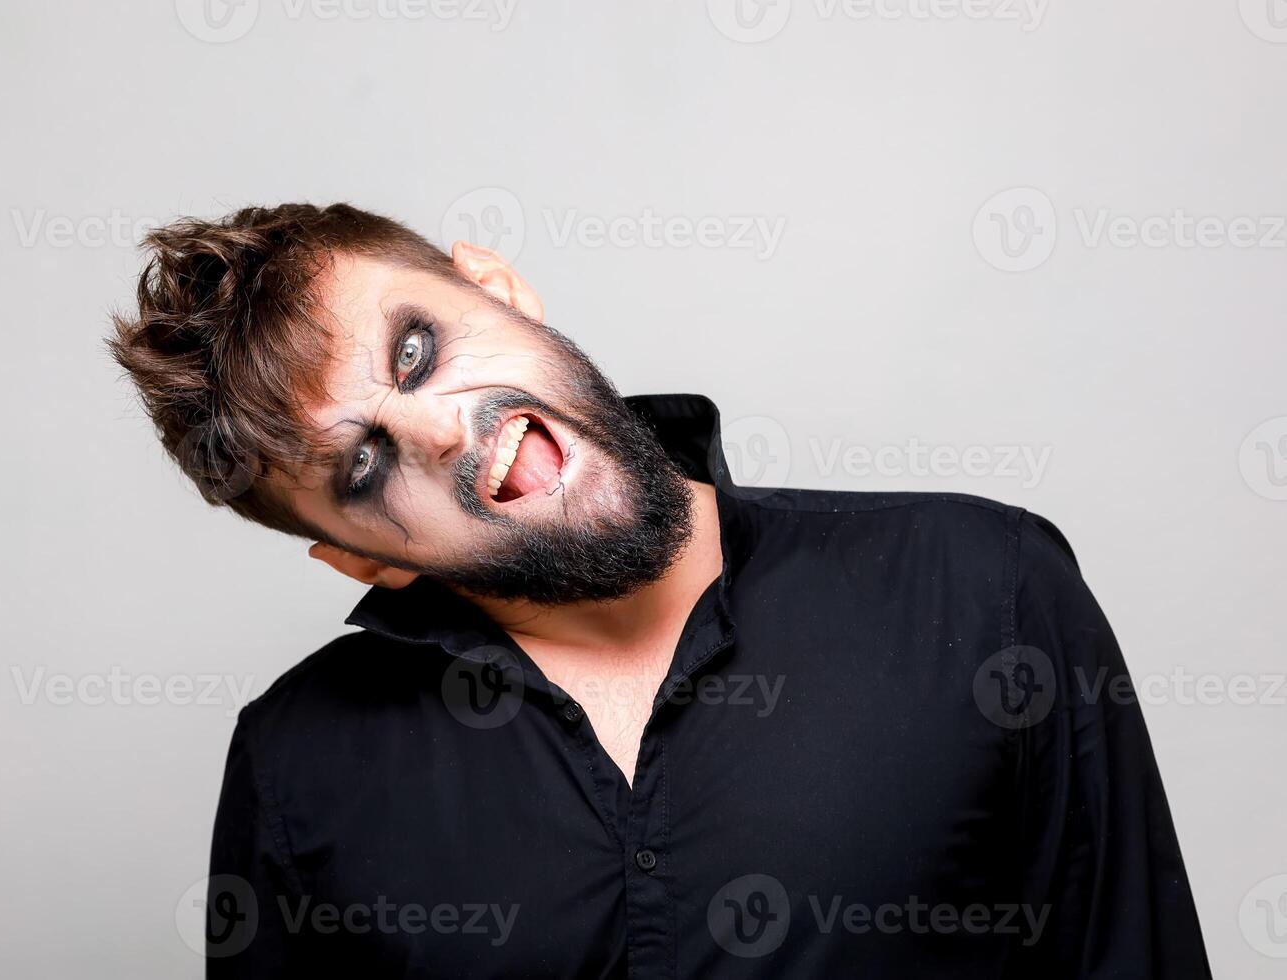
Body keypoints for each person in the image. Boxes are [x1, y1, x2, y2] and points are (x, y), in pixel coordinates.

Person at [110, 202, 1212, 978]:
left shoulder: (982, 587)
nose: (446, 429)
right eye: (363, 467)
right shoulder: (298, 764)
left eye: (417, 351)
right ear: (365, 560)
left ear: (496, 288)